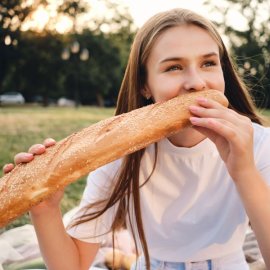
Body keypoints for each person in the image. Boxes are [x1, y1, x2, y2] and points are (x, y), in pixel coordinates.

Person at [3, 8, 270, 270]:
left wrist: (243, 171)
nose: (196, 82)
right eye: (174, 67)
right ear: (145, 85)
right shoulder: (119, 156)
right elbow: (73, 265)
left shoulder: (258, 144)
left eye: (208, 63)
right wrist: (46, 211)